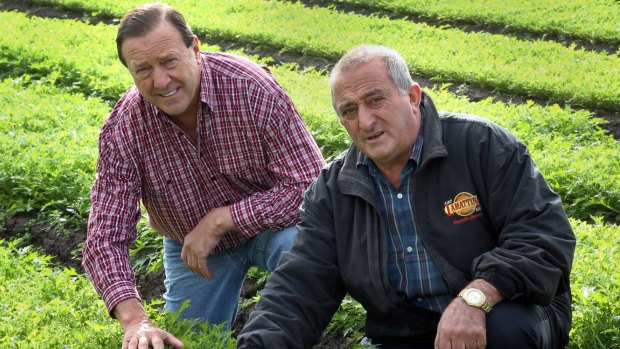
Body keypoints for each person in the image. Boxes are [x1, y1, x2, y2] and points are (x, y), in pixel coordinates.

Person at [236, 45, 576, 349]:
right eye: (349, 110)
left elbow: (542, 236)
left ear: (413, 96)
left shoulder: (482, 146)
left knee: (501, 332)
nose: (365, 120)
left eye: (375, 99)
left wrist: (477, 296)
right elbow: (299, 287)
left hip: (509, 309)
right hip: (407, 332)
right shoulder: (332, 191)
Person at [81, 2, 325, 348]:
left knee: (308, 252)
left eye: (169, 61)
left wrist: (223, 219)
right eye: (143, 70)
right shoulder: (124, 129)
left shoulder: (250, 88)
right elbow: (105, 237)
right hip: (193, 251)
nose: (161, 81)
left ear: (194, 48)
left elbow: (311, 185)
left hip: (275, 229)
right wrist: (136, 320)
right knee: (192, 342)